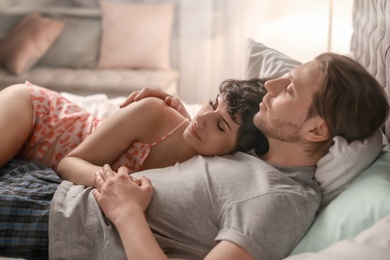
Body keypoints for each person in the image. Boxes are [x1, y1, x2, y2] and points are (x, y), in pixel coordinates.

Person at [0, 53, 388, 260]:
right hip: (47, 190)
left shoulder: (280, 201)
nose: (271, 84)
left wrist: (127, 212)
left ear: (317, 130)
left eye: (289, 89)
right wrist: (178, 117)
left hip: (53, 220)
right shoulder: (258, 156)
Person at [0, 79, 267, 187]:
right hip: (38, 116)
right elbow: (69, 163)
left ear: (235, 153)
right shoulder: (156, 112)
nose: (203, 119)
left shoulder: (212, 174)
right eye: (211, 103)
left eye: (221, 125)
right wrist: (116, 183)